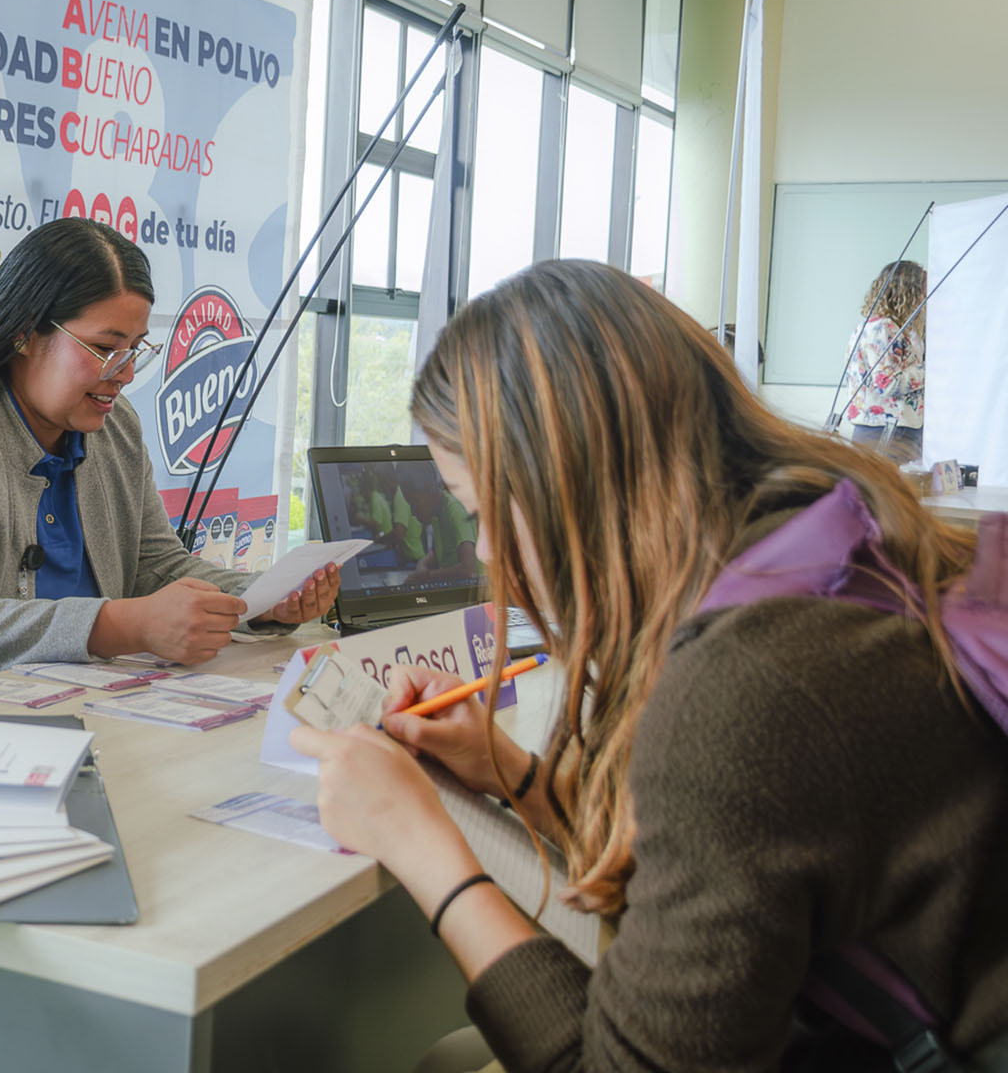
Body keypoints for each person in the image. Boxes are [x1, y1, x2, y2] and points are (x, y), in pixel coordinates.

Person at [292, 261, 1008, 1071]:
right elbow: (724, 860)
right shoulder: (827, 545)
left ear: (568, 480)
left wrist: (417, 843)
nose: (488, 549)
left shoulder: (749, 685)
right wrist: (511, 771)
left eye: (481, 509)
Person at [0, 217, 338, 703]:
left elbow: (157, 568)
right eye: (106, 348)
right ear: (25, 334)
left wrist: (260, 602)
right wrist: (129, 625)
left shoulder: (115, 428)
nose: (125, 373)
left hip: (58, 707)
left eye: (137, 348)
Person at [841, 259, 927, 463]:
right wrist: (934, 370)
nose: (926, 298)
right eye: (923, 291)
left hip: (893, 429)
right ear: (909, 292)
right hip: (885, 431)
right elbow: (887, 384)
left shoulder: (892, 328)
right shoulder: (882, 329)